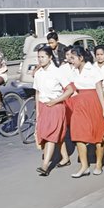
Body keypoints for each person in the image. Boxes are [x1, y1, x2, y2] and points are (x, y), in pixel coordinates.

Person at [68, 46, 104, 178]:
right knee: (78, 134)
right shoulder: (74, 71)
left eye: (73, 58)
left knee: (98, 136)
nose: (70, 60)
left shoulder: (93, 70)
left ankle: (98, 164)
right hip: (80, 105)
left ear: (81, 58)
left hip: (94, 104)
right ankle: (84, 166)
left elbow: (100, 91)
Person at [33, 46, 74, 176]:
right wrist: (38, 112)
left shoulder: (57, 72)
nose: (40, 59)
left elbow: (69, 90)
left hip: (56, 107)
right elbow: (37, 93)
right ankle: (65, 158)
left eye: (43, 57)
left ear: (50, 57)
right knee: (56, 134)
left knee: (51, 135)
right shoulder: (38, 73)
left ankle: (45, 166)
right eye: (39, 57)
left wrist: (56, 100)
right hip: (44, 107)